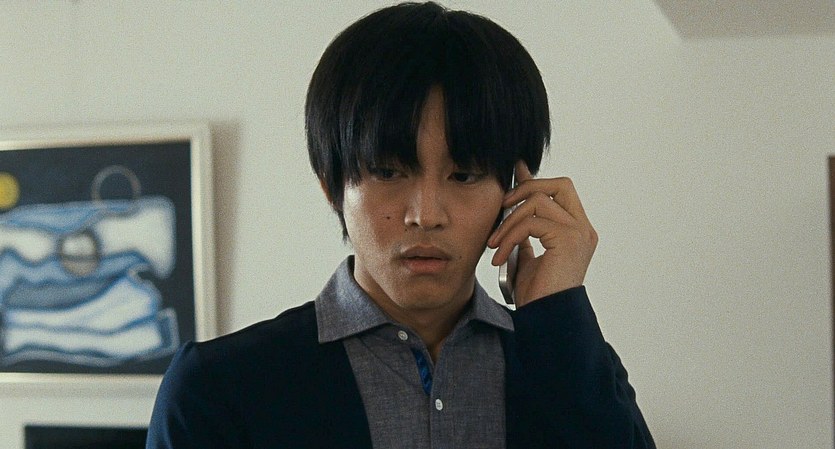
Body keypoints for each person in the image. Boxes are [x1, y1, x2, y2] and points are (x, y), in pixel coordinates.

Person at [146, 2, 656, 448]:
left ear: (513, 193)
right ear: (332, 186)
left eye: (465, 175)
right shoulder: (218, 389)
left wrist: (558, 313)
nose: (426, 215)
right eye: (389, 172)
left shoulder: (567, 364)